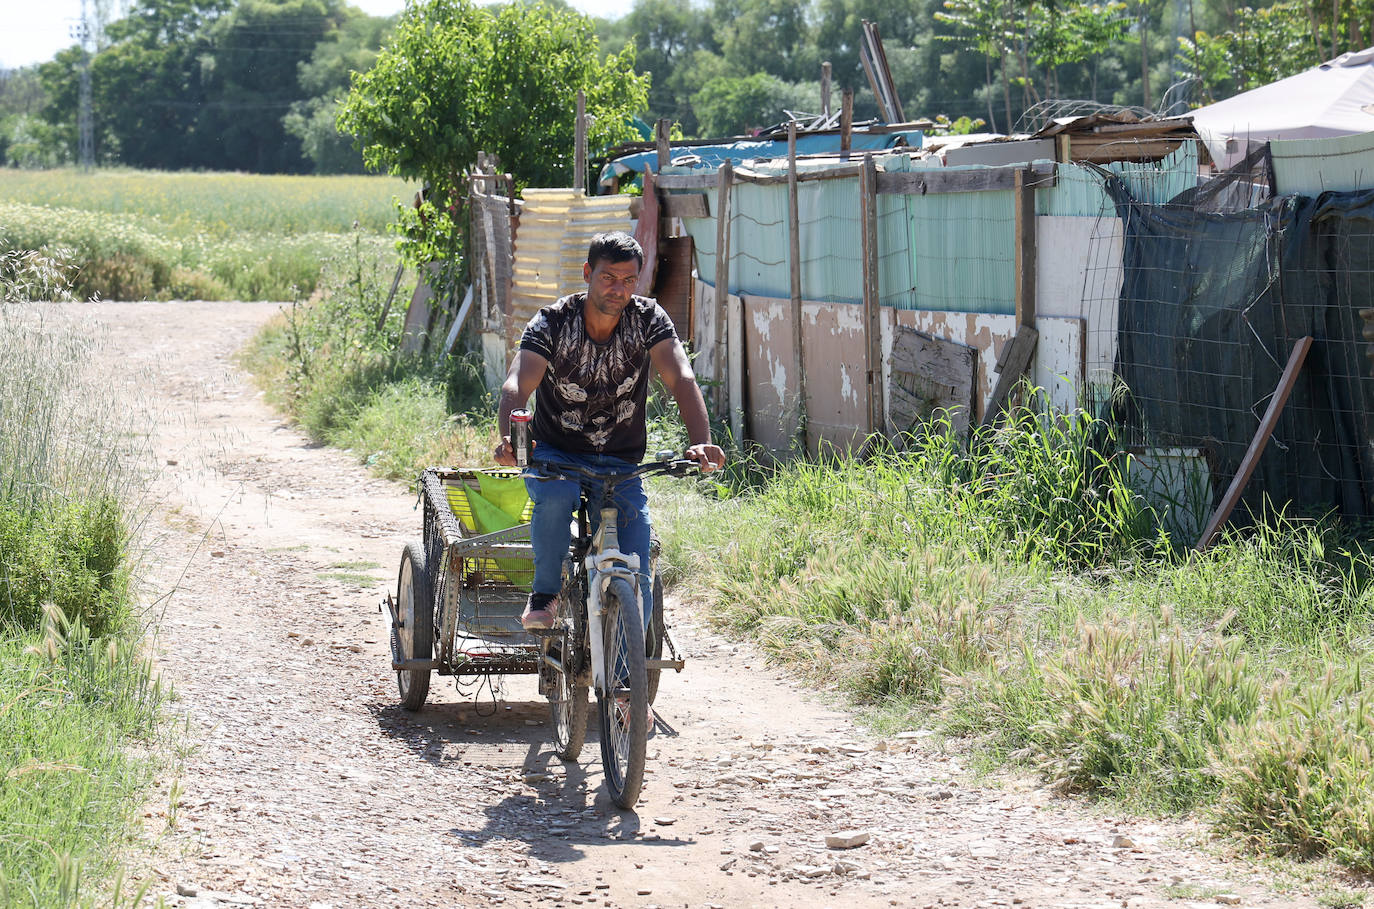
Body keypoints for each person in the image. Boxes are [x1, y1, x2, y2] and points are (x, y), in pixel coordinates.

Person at [493, 231, 725, 632]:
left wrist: (700, 440)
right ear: (587, 273)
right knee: (556, 496)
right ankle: (545, 595)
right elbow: (517, 384)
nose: (618, 289)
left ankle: (623, 686)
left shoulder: (649, 319)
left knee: (636, 570)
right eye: (608, 278)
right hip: (556, 454)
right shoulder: (552, 321)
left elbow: (681, 378)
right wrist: (511, 439)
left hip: (621, 461)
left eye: (628, 280)